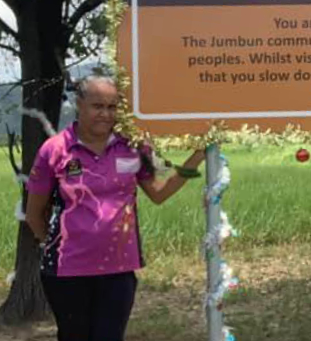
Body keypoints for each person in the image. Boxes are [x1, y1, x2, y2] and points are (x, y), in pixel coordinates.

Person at [25, 75, 205, 341]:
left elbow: (159, 191)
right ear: (79, 104)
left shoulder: (134, 147)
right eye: (97, 106)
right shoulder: (54, 150)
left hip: (119, 269)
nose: (106, 114)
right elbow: (34, 213)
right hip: (67, 270)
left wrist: (198, 156)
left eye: (112, 107)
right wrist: (51, 244)